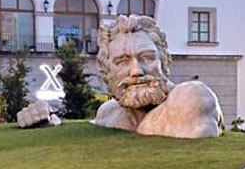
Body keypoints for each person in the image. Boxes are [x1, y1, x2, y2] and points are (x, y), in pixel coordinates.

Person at [94, 14, 223, 138]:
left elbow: (196, 135)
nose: (136, 71)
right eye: (122, 62)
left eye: (147, 58)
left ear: (164, 60)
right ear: (106, 69)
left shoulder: (193, 96)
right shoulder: (108, 113)